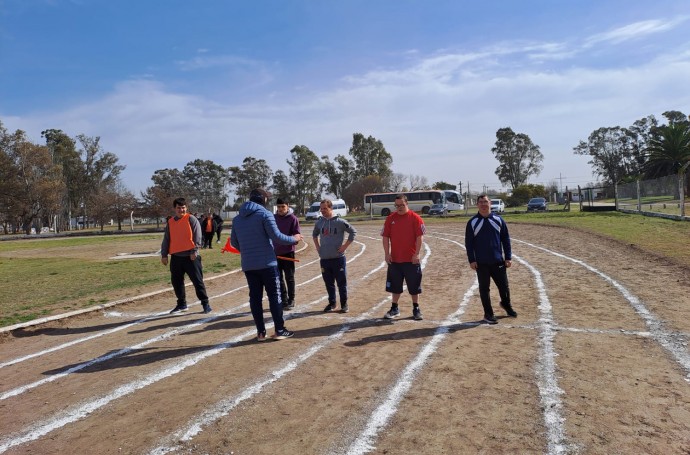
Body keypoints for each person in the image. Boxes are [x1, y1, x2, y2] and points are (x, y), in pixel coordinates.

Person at [230, 188, 303, 341]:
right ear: (263, 200)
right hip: (267, 264)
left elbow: (235, 243)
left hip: (249, 264)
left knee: (255, 298)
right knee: (274, 296)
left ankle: (261, 332)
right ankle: (279, 329)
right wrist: (294, 238)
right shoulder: (265, 214)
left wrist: (248, 250)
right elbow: (277, 237)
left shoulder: (237, 219)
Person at [464, 194, 517, 324]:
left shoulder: (498, 220)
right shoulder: (472, 222)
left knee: (504, 287)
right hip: (481, 263)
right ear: (477, 205)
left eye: (485, 202)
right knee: (484, 289)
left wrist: (508, 257)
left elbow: (505, 239)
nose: (483, 204)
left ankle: (506, 305)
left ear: (490, 203)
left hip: (498, 261)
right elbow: (469, 243)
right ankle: (488, 313)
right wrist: (472, 260)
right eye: (481, 202)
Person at [160, 198, 212, 314]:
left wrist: (194, 250)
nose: (181, 210)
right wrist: (164, 254)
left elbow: (197, 235)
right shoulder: (171, 222)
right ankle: (182, 304)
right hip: (176, 257)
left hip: (190, 256)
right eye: (178, 208)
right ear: (175, 209)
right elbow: (166, 239)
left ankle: (205, 303)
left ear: (186, 208)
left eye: (183, 207)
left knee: (197, 281)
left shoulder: (191, 219)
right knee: (176, 281)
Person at [381, 194, 426, 320]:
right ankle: (394, 308)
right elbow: (385, 237)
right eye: (397, 205)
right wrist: (387, 253)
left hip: (411, 260)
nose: (399, 207)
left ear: (407, 204)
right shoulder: (390, 218)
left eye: (402, 205)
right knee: (395, 285)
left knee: (414, 285)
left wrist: (416, 253)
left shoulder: (415, 218)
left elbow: (419, 237)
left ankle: (416, 308)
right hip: (395, 260)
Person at [312, 198, 357, 313]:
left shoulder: (340, 222)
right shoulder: (319, 222)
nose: (322, 211)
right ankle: (332, 303)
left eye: (325, 208)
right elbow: (314, 235)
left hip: (338, 259)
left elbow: (353, 232)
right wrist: (318, 247)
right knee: (329, 283)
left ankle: (344, 304)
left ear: (331, 208)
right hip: (325, 259)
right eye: (321, 209)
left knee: (341, 283)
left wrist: (344, 246)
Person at [274, 198, 301, 310]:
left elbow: (296, 234)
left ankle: (291, 299)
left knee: (289, 277)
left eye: (283, 207)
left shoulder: (293, 219)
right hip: (275, 253)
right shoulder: (273, 218)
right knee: (278, 278)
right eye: (279, 207)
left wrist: (295, 239)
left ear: (287, 206)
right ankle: (284, 300)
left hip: (288, 252)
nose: (280, 209)